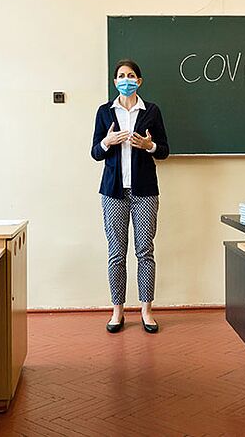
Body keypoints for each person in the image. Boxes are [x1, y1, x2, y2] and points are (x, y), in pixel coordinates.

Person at [90, 59, 171, 334]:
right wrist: (107, 142)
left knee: (145, 251)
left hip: (145, 191)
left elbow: (164, 151)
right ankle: (117, 311)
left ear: (139, 81)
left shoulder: (151, 111)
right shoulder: (104, 112)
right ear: (115, 82)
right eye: (122, 76)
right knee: (116, 253)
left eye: (131, 76)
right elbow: (95, 152)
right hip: (113, 192)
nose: (126, 79)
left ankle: (147, 310)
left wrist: (150, 145)